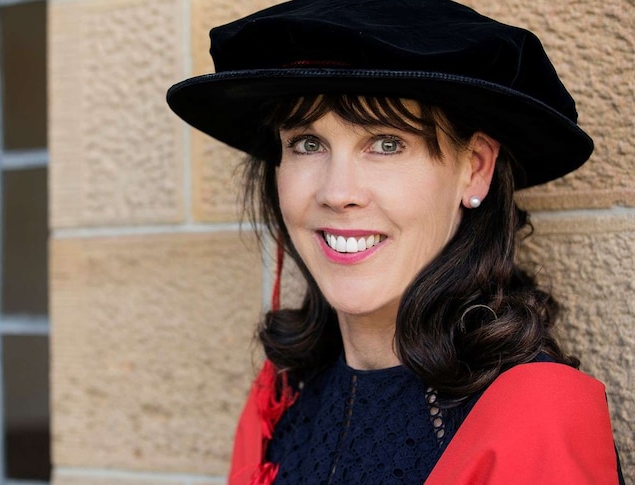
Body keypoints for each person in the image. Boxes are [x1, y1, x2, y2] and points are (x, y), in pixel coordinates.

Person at [167, 0, 625, 484]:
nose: (337, 192)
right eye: (307, 142)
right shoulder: (283, 396)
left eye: (387, 143)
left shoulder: (538, 416)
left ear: (474, 168)